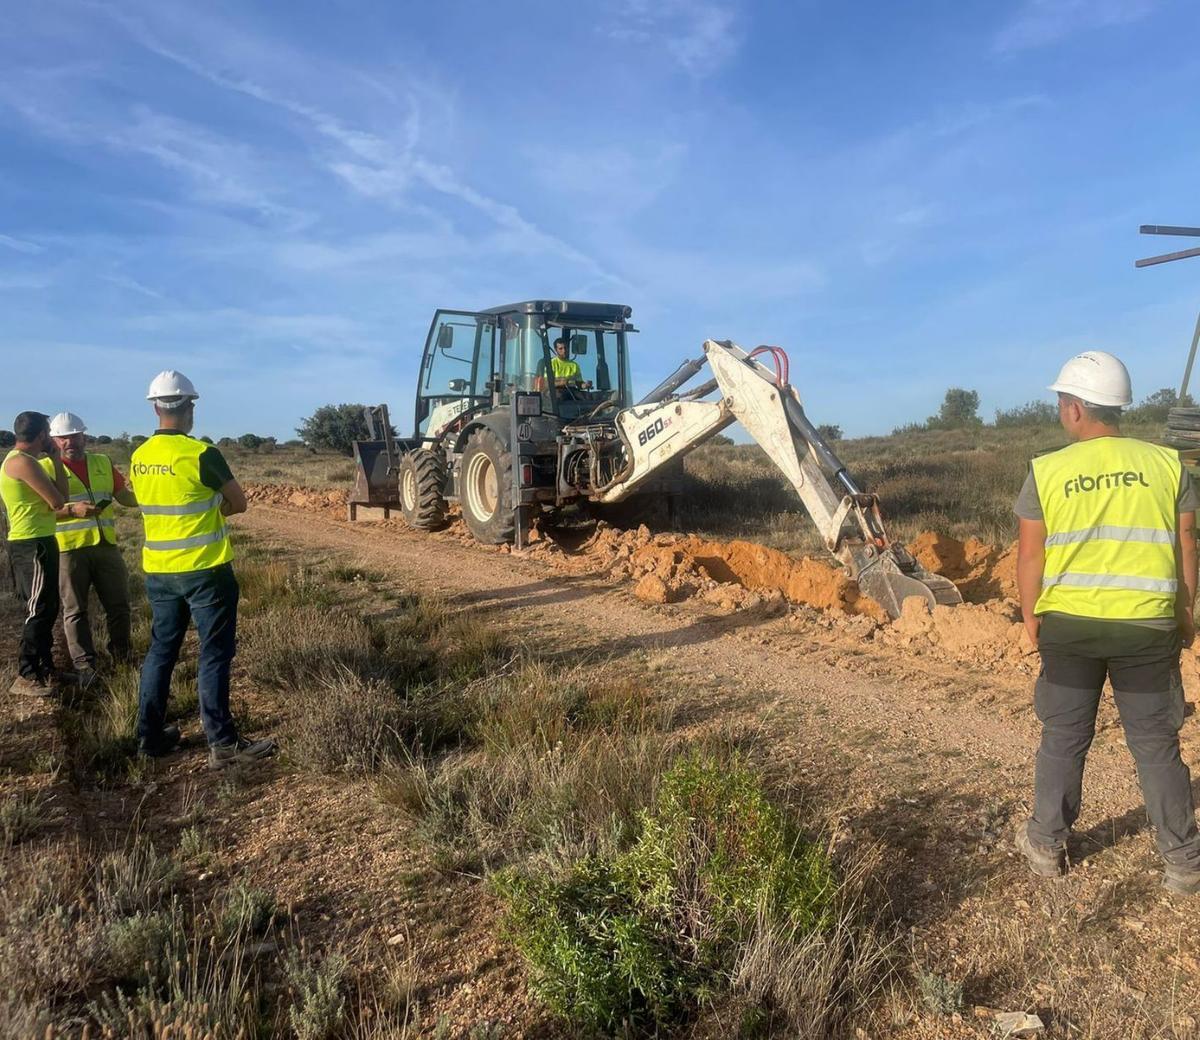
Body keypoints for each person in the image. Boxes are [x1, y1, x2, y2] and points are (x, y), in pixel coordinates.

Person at [1014, 350, 1200, 896]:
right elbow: (1186, 545)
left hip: (1070, 630)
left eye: (1060, 403)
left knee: (1065, 738)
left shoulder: (1045, 471)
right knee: (1155, 744)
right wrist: (1187, 615)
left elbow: (1031, 556)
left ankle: (1047, 845)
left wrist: (1031, 618)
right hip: (1146, 628)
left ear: (1074, 409)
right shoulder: (1170, 467)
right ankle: (1184, 861)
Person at [130, 370, 275, 768]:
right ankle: (223, 745)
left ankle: (150, 738)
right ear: (190, 407)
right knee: (213, 655)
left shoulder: (139, 457)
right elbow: (239, 503)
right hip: (206, 571)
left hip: (159, 571)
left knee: (161, 652)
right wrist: (217, 509)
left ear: (156, 406)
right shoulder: (201, 454)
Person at [40, 412, 137, 687]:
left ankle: (122, 655)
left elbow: (125, 497)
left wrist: (153, 495)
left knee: (119, 605)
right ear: (55, 440)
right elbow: (43, 511)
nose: (71, 441)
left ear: (84, 436)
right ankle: (85, 667)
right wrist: (72, 510)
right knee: (75, 610)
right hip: (69, 550)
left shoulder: (102, 462)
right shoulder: (45, 468)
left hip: (106, 546)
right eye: (64, 437)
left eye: (75, 436)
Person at [1, 411, 88, 694]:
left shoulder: (29, 462)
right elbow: (58, 500)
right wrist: (52, 461)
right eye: (49, 433)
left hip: (40, 540)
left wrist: (54, 461)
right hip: (31, 544)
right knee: (38, 609)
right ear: (41, 435)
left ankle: (45, 669)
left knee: (48, 607)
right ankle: (27, 674)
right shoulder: (22, 463)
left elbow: (60, 495)